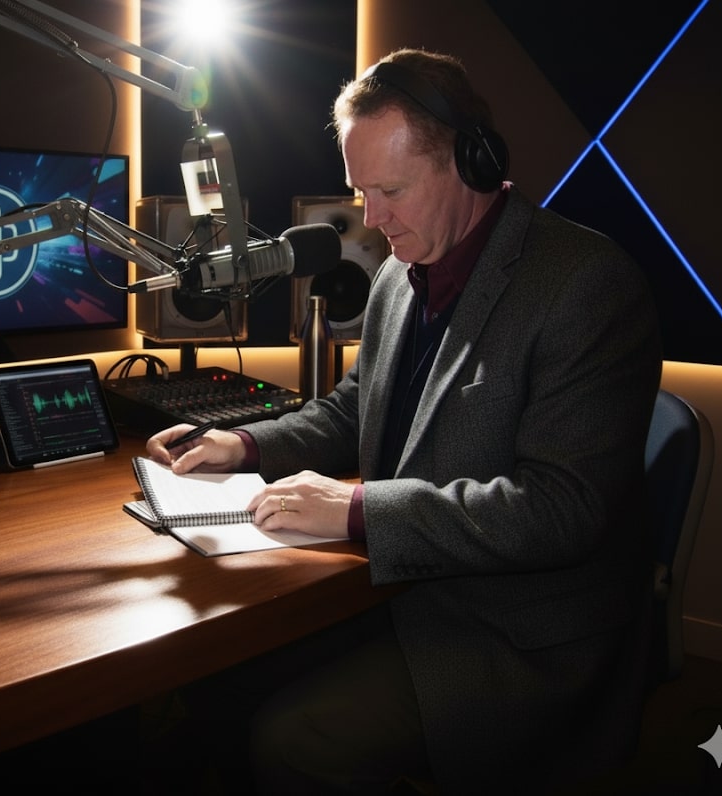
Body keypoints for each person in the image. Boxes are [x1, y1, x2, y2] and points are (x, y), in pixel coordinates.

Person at [145, 47, 663, 794]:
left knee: (299, 741)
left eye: (391, 189)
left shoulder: (584, 285)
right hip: (404, 591)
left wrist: (356, 509)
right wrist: (243, 443)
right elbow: (356, 408)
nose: (371, 218)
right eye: (360, 191)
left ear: (472, 163)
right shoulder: (397, 275)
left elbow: (560, 512)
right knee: (210, 685)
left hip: (519, 633)